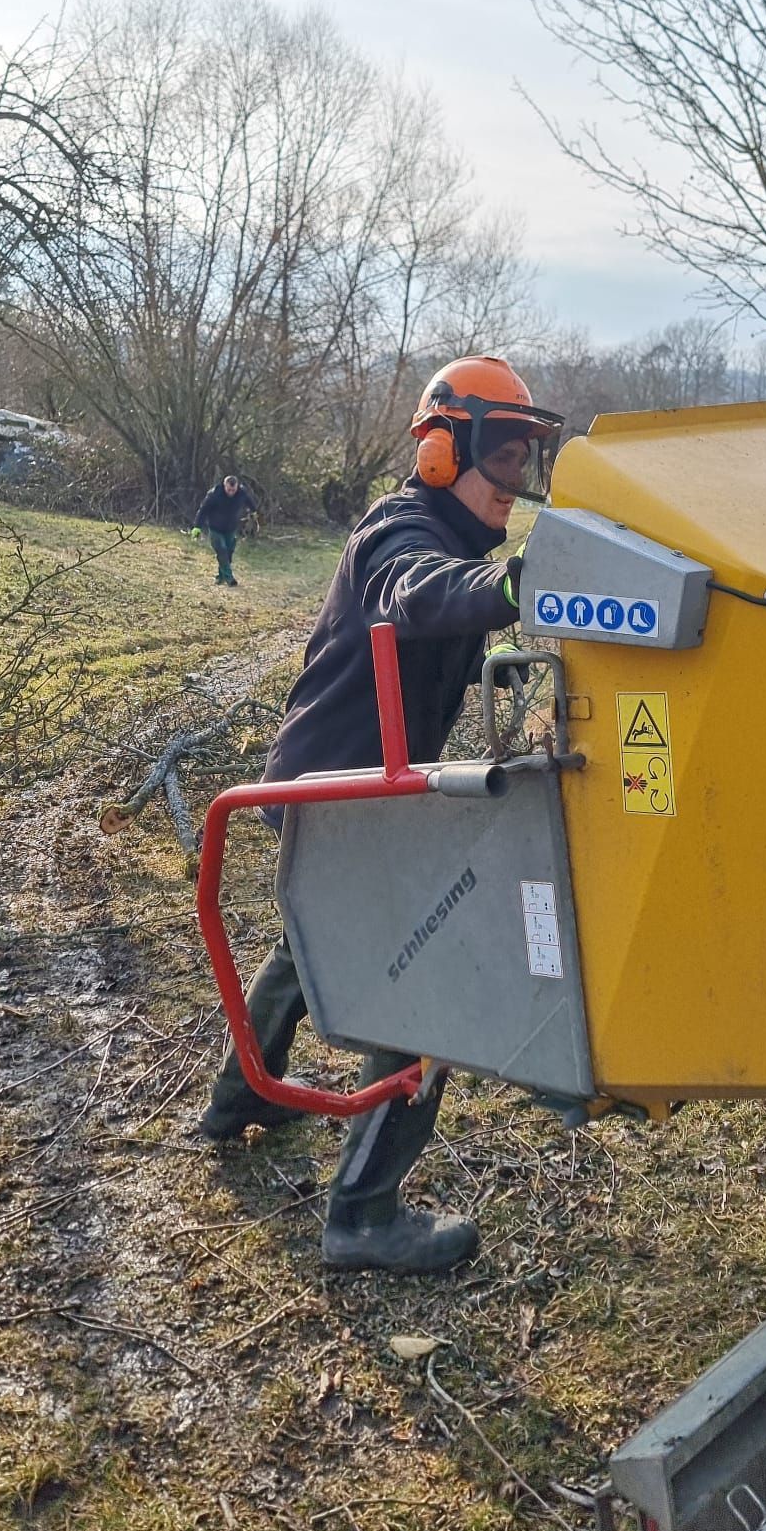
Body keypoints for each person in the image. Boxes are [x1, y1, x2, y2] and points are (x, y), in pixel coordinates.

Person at [198, 355, 563, 1274]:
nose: (517, 481)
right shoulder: (399, 533)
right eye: (506, 457)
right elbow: (421, 596)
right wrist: (522, 582)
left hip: (338, 783)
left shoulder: (455, 542)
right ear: (443, 449)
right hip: (346, 790)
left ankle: (241, 1100)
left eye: (528, 460)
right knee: (421, 985)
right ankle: (363, 1212)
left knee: (306, 941)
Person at [192, 473, 258, 586]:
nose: (231, 492)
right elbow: (203, 510)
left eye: (233, 490)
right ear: (224, 485)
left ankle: (220, 577)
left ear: (237, 486)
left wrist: (254, 512)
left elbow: (250, 503)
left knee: (228, 553)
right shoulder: (214, 494)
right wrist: (197, 526)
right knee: (221, 550)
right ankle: (230, 579)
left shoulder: (242, 493)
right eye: (229, 490)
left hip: (231, 528)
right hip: (215, 528)